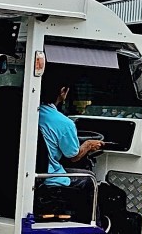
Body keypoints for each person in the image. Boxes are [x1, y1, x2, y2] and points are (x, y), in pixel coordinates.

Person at [38, 71, 102, 220]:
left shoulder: (27, 114)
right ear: (63, 91)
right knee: (89, 179)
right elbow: (73, 156)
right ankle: (94, 227)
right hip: (48, 177)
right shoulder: (64, 123)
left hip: (25, 172)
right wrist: (87, 145)